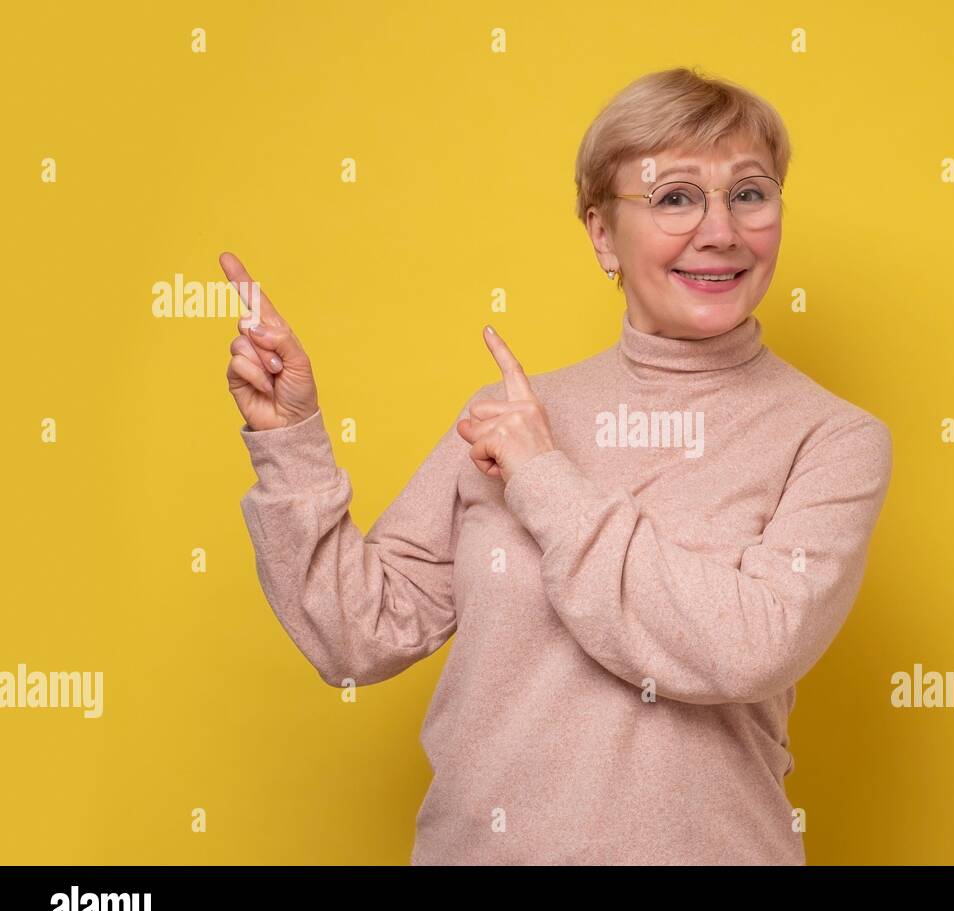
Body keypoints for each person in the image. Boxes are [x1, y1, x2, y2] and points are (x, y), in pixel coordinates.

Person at [224, 66, 893, 865]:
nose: (721, 231)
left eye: (749, 194)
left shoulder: (831, 437)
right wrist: (292, 440)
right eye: (675, 197)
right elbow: (358, 638)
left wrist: (545, 479)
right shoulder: (508, 415)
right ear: (603, 234)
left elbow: (746, 645)